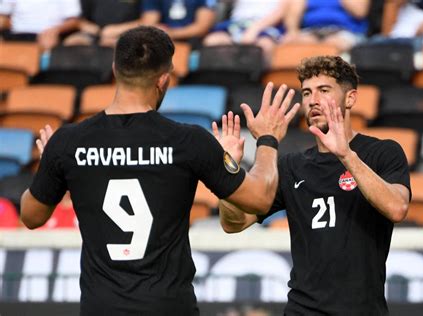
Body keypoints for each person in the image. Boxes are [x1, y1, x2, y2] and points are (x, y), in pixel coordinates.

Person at [20, 26, 300, 315]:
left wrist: (52, 167)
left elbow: (30, 216)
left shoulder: (68, 143)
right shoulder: (189, 141)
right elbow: (260, 200)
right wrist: (267, 140)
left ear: (115, 70)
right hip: (168, 307)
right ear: (164, 79)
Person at [216, 55, 411, 315]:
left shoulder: (382, 152)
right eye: (307, 92)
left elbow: (397, 208)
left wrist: (346, 155)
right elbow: (234, 222)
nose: (313, 100)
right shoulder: (291, 166)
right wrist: (227, 170)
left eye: (324, 90)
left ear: (350, 98)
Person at [203, 0, 289, 64]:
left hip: (267, 26)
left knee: (264, 45)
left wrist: (254, 29)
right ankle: (228, 79)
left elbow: (282, 11)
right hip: (236, 24)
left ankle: (258, 83)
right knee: (212, 41)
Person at [281, 0, 370, 52]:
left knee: (332, 45)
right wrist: (292, 32)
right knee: (299, 44)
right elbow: (293, 15)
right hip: (311, 30)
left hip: (346, 31)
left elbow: (360, 12)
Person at [0, 0, 81, 50]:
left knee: (48, 42)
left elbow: (73, 21)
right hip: (16, 34)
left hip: (48, 34)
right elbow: (3, 16)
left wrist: (54, 31)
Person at [63, 0, 143, 47]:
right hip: (96, 35)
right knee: (72, 42)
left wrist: (115, 31)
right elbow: (81, 21)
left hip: (129, 34)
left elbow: (148, 20)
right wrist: (98, 32)